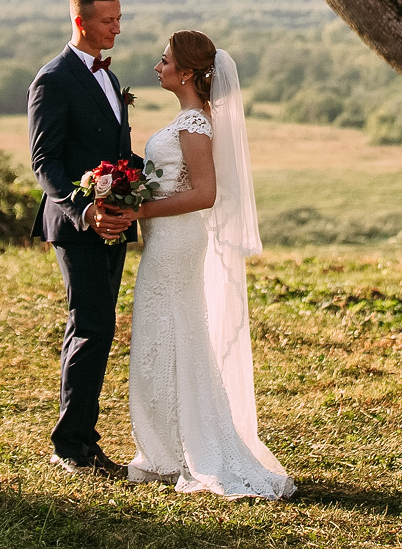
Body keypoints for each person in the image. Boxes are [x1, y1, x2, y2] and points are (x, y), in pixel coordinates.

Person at [120, 29, 295, 498]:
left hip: (176, 241)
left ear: (188, 73)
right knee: (165, 332)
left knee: (171, 330)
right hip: (167, 237)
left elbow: (205, 193)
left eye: (165, 61)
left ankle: (189, 448)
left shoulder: (195, 124)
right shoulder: (188, 119)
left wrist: (141, 209)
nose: (158, 68)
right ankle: (166, 447)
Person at [27, 0, 136, 478]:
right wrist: (83, 209)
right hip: (75, 225)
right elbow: (44, 161)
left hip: (112, 220)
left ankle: (81, 439)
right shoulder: (53, 79)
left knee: (101, 325)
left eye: (118, 17)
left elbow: (117, 154)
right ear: (81, 22)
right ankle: (72, 447)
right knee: (90, 327)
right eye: (107, 20)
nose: (117, 27)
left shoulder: (110, 79)